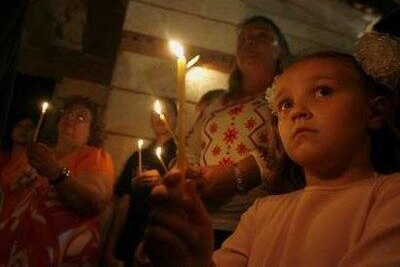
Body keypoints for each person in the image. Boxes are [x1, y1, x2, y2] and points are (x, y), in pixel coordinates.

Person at [140, 52, 400, 266]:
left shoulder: (391, 196)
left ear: (375, 110)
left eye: (322, 91)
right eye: (285, 104)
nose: (298, 110)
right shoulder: (261, 213)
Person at [185, 15, 295, 248]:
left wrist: (240, 174)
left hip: (252, 225)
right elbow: (189, 150)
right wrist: (189, 175)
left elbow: (291, 151)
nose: (250, 43)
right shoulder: (216, 103)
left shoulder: (286, 99)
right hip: (197, 220)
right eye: (244, 39)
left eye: (261, 36)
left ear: (282, 52)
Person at [0, 96, 115, 266]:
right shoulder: (30, 154)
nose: (70, 118)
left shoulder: (94, 157)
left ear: (91, 131)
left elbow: (94, 201)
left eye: (81, 117)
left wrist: (55, 172)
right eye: (67, 113)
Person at [105, 99, 177, 266]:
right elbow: (124, 202)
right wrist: (110, 247)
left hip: (162, 239)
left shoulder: (183, 156)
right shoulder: (137, 157)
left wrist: (163, 184)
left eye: (166, 113)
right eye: (156, 113)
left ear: (176, 118)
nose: (160, 117)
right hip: (130, 237)